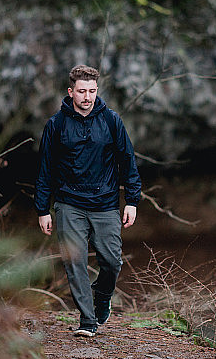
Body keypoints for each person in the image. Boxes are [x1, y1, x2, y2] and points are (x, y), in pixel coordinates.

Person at [35, 65, 141, 337]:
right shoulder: (56, 125)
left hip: (105, 203)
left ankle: (102, 295)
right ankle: (87, 320)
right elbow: (45, 168)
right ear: (70, 92)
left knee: (112, 261)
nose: (87, 97)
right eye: (82, 91)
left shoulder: (111, 121)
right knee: (75, 262)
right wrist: (42, 208)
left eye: (92, 91)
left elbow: (127, 160)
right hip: (69, 203)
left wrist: (132, 200)